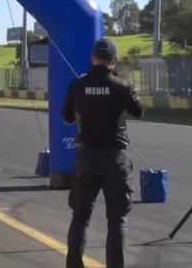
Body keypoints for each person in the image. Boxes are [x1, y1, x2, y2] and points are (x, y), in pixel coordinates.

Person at [62, 38, 144, 268]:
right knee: (117, 220)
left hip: (87, 157)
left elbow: (67, 117)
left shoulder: (77, 86)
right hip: (114, 158)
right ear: (114, 61)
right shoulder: (122, 86)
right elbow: (139, 112)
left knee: (80, 216)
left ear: (92, 58)